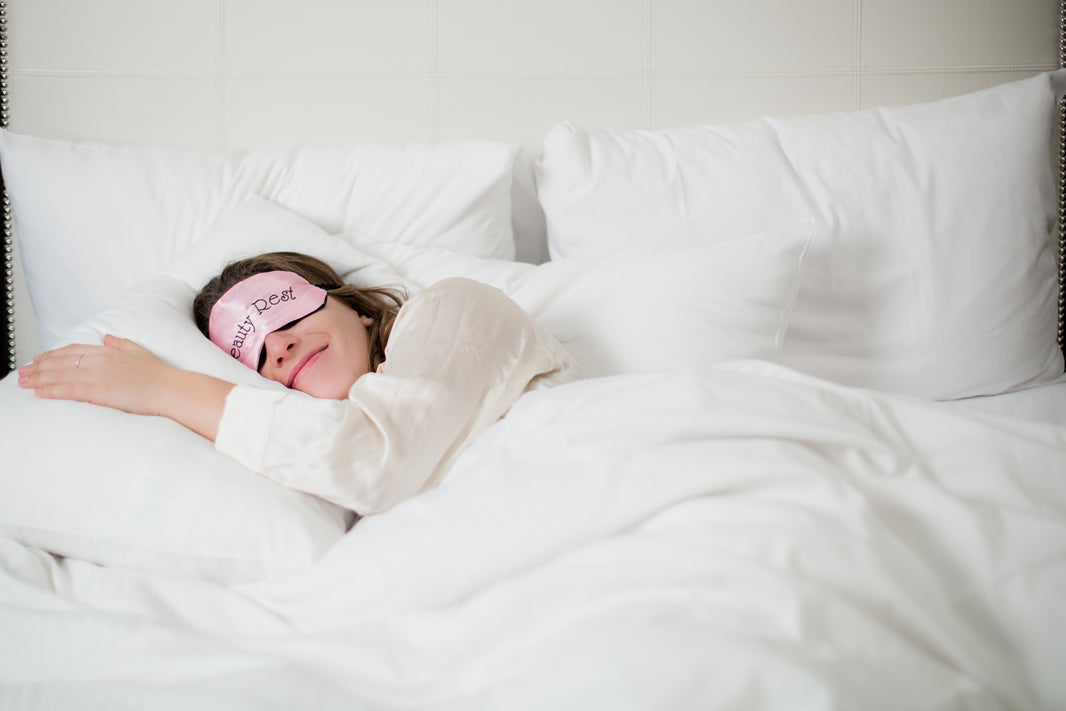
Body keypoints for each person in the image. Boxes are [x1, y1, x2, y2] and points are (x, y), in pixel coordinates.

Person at [18, 252, 578, 514]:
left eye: (285, 312)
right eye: (254, 352)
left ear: (355, 307)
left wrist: (163, 388)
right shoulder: (308, 464)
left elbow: (371, 459)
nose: (279, 346)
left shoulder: (453, 307)